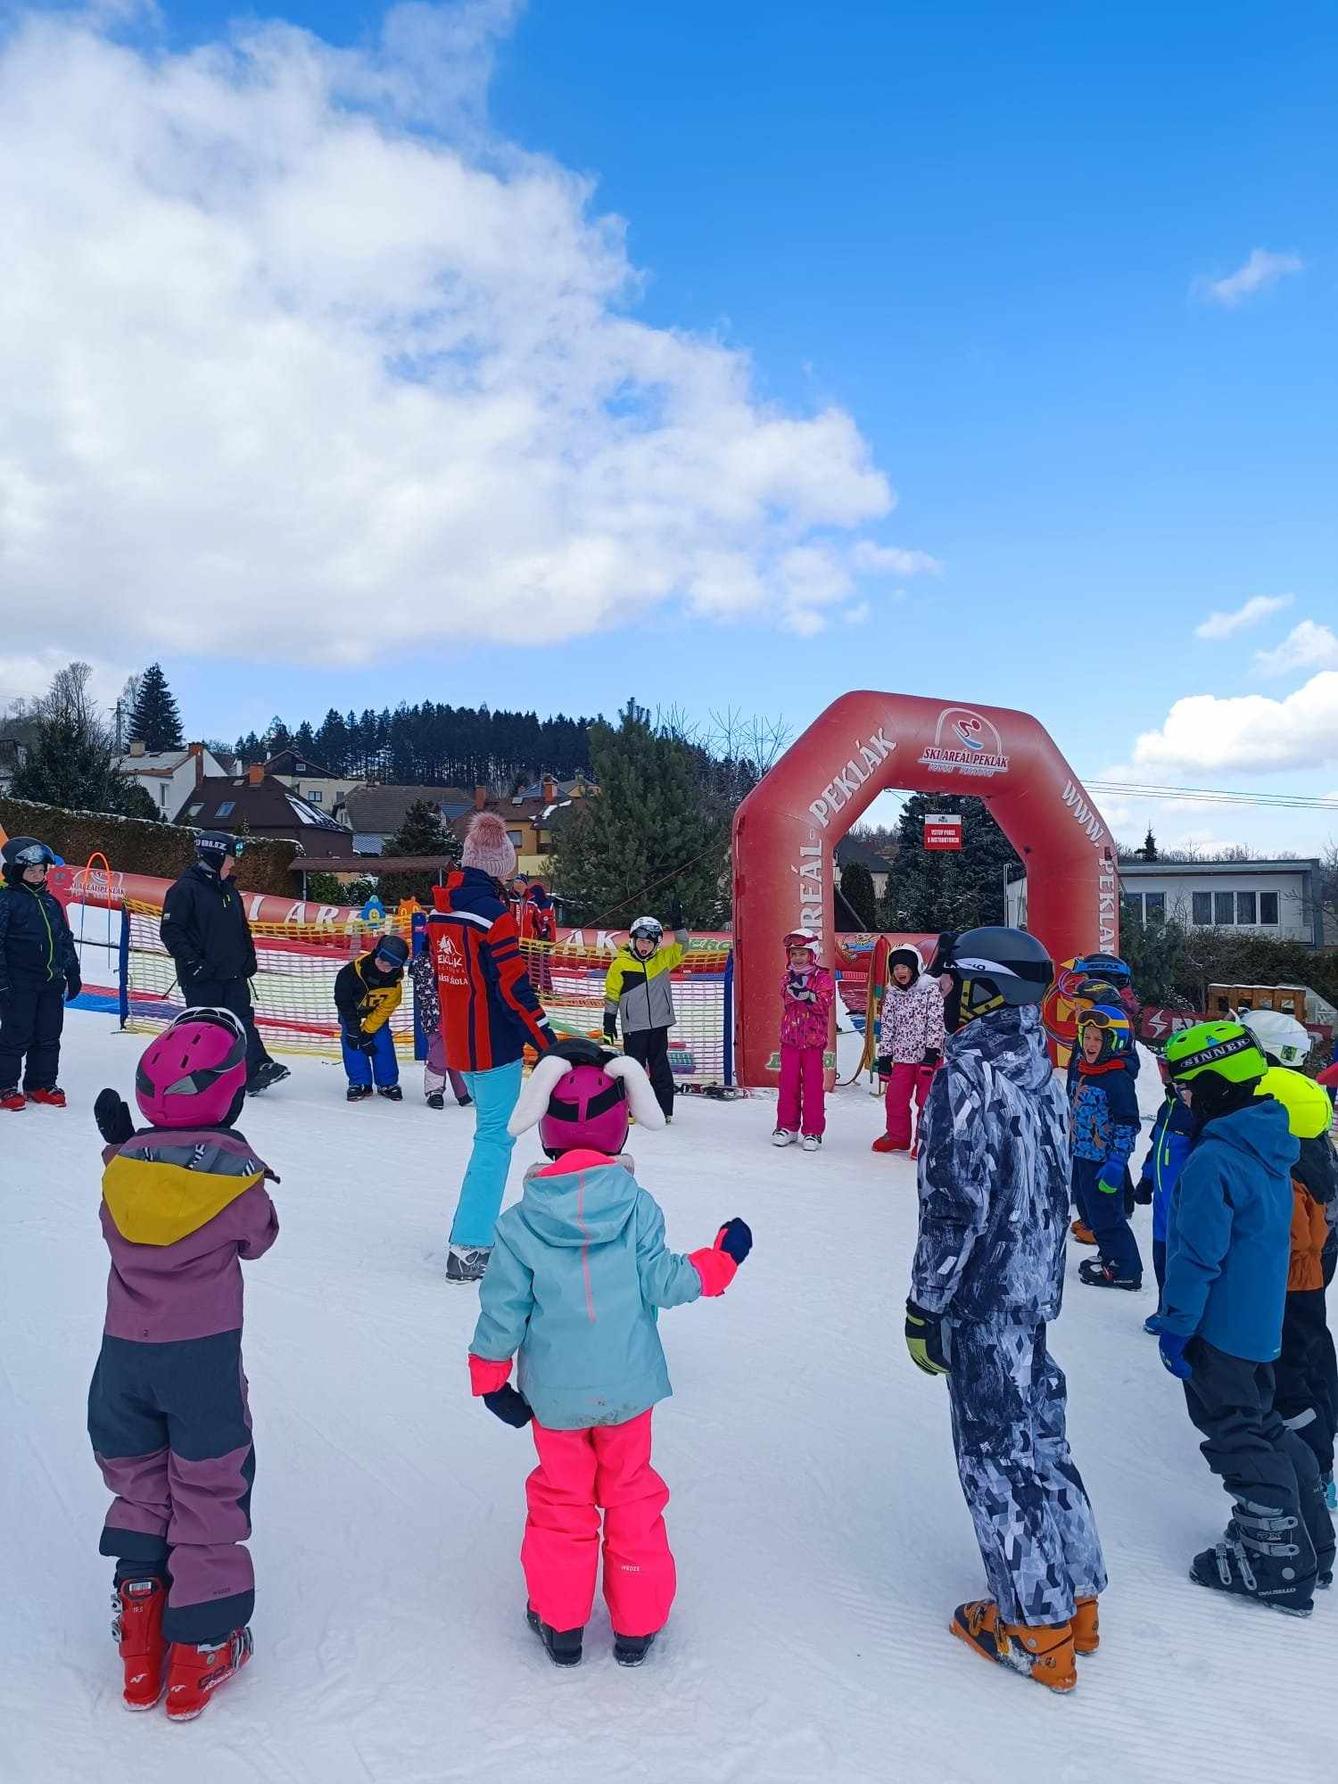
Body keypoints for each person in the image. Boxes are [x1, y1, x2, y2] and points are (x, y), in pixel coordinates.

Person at [467, 1039, 751, 1668]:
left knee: (562, 1504)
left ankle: (562, 1624)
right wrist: (723, 1259)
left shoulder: (518, 1225)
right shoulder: (636, 1209)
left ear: (546, 1129)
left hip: (555, 1399)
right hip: (628, 1392)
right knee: (631, 1498)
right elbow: (669, 1281)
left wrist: (490, 1377)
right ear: (621, 1123)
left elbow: (503, 1308)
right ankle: (637, 1625)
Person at [906, 926, 1105, 1694]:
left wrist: (926, 1303)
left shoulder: (969, 1074)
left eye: (955, 984)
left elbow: (956, 1205)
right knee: (1040, 1441)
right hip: (1033, 1291)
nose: (947, 997)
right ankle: (1078, 1595)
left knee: (995, 1456)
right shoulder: (1040, 1064)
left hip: (986, 1297)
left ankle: (1035, 1627)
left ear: (987, 988)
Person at [88, 1007, 279, 1719]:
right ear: (229, 1097)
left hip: (121, 1366)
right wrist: (226, 1153)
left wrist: (124, 1149)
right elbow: (259, 1237)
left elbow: (121, 1216)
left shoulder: (120, 1173)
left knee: (140, 1486)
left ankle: (141, 1651)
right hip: (200, 1365)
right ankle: (199, 1650)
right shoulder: (235, 1179)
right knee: (207, 1488)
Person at [1152, 1021, 1333, 1614]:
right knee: (1266, 1424)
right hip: (1261, 1326)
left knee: (1234, 1431)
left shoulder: (1216, 1160)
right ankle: (1311, 1539)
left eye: (1184, 1090)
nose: (1180, 1101)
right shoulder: (1270, 1144)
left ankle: (1275, 1557)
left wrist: (1177, 1323)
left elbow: (1198, 1254)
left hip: (1220, 1326)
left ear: (1214, 1084)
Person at [428, 812, 555, 1284]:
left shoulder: (441, 908)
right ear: (500, 864)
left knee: (489, 1136)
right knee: (494, 1142)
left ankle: (475, 1230)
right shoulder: (493, 917)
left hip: (460, 1044)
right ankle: (469, 1244)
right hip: (493, 1046)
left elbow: (447, 975)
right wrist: (546, 1041)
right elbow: (513, 991)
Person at [1241, 1011, 1338, 1501]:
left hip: (1296, 1261)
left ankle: (1316, 1464)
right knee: (1311, 1344)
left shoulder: (1278, 1101)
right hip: (1313, 1255)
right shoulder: (1303, 1098)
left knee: (1293, 1361)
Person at [160, 833, 289, 1093]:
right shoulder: (184, 890)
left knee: (242, 1022)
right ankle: (198, 1078)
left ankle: (256, 1069)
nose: (233, 863)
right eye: (230, 857)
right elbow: (171, 931)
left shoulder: (229, 890)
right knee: (206, 1029)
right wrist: (193, 963)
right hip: (202, 978)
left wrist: (248, 957)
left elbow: (242, 929)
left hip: (233, 974)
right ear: (215, 855)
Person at [0, 834, 81, 1110]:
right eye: (30, 871)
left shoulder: (50, 902)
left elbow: (64, 938)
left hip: (51, 982)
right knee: (15, 1035)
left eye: (40, 870)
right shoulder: (7, 902)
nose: (37, 875)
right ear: (15, 872)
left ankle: (40, 1083)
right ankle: (5, 1086)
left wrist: (73, 971)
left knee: (48, 1035)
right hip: (18, 983)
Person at [1069, 1006, 1144, 1291]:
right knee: (1093, 1214)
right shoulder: (1086, 1070)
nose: (1090, 1044)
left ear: (1113, 1042)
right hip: (1083, 1156)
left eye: (1098, 1039)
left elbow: (1127, 1123)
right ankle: (1109, 1255)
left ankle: (1125, 1268)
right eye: (1087, 1037)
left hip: (1104, 1161)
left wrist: (1116, 1162)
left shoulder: (1116, 1078)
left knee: (1108, 1216)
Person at [603, 909, 690, 1122]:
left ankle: (663, 1109)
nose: (645, 946)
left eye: (650, 943)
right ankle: (631, 1108)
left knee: (660, 1067)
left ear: (656, 944)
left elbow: (683, 946)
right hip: (634, 1028)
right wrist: (608, 1023)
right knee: (634, 1068)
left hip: (659, 1025)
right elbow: (612, 995)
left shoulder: (663, 960)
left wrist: (678, 926)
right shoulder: (620, 965)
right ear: (633, 940)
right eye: (641, 941)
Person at [1132, 1053, 1195, 1332]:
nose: (1162, 1072)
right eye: (1160, 1065)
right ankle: (1165, 1307)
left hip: (1185, 1206)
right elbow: (1156, 1147)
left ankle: (1183, 1317)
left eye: (1167, 1066)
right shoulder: (1168, 1105)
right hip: (1162, 1205)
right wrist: (1146, 1179)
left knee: (1182, 1264)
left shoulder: (1195, 1111)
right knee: (1161, 1260)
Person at [871, 943, 945, 1156]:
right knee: (895, 1098)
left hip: (927, 1060)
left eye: (905, 967)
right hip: (902, 1058)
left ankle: (924, 1140)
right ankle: (897, 1135)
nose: (900, 972)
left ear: (915, 968)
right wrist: (885, 1057)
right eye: (896, 968)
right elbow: (888, 1026)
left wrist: (932, 1053)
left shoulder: (930, 990)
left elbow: (936, 1022)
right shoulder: (893, 994)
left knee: (925, 1100)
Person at [772, 930, 835, 1152]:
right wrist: (797, 992)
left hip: (813, 1042)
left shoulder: (823, 978)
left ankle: (813, 1130)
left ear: (813, 954)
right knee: (787, 1084)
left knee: (812, 1087)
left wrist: (809, 996)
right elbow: (787, 995)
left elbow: (824, 1002)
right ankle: (786, 1126)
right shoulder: (787, 977)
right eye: (794, 953)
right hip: (790, 1040)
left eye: (802, 953)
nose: (797, 958)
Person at [334, 933, 409, 1102]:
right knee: (352, 1041)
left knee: (381, 1040)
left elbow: (385, 1009)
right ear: (376, 954)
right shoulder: (350, 973)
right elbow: (343, 1002)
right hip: (351, 1012)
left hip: (374, 1014)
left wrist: (368, 1032)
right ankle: (359, 1082)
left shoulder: (394, 984)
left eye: (391, 965)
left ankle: (387, 1083)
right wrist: (355, 1031)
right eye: (382, 960)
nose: (384, 966)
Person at [408, 946, 471, 1111]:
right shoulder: (425, 961)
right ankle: (434, 1090)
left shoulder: (456, 957)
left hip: (456, 1016)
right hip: (435, 1017)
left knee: (456, 1052)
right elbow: (427, 993)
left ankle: (463, 1091)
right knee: (440, 1054)